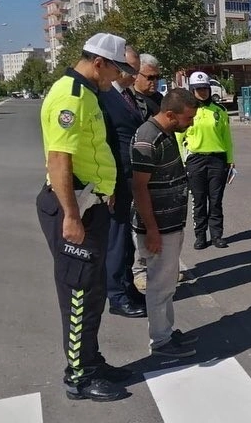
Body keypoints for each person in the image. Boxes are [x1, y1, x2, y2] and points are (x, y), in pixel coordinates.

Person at [36, 32, 136, 401]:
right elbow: (59, 160)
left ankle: (91, 360)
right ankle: (78, 376)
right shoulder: (71, 97)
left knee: (92, 294)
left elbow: (90, 154)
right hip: (73, 209)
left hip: (89, 204)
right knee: (78, 295)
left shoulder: (90, 94)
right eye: (115, 70)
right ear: (98, 62)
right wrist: (72, 216)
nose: (117, 77)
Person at [131, 88, 201, 357]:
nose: (191, 123)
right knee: (159, 285)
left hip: (169, 223)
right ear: (171, 114)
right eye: (188, 118)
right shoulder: (148, 139)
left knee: (167, 282)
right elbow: (139, 188)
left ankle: (166, 332)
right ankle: (160, 342)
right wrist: (152, 230)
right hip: (158, 226)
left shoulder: (166, 133)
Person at [100, 45, 146, 319]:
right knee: (116, 240)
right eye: (129, 69)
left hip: (129, 179)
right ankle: (116, 295)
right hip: (116, 180)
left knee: (126, 241)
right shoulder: (105, 98)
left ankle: (127, 286)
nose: (133, 75)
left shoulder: (126, 95)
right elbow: (106, 144)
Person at [176, 71, 234, 250]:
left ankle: (217, 235)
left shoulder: (220, 111)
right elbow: (179, 138)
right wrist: (182, 162)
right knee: (199, 201)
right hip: (195, 160)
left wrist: (230, 160)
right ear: (192, 90)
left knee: (216, 200)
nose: (202, 92)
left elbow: (226, 137)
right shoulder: (187, 111)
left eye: (205, 88)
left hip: (217, 159)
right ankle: (200, 236)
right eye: (198, 89)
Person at [132, 54, 164, 120]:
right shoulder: (131, 101)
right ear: (136, 75)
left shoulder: (160, 98)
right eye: (150, 77)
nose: (155, 81)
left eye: (157, 77)